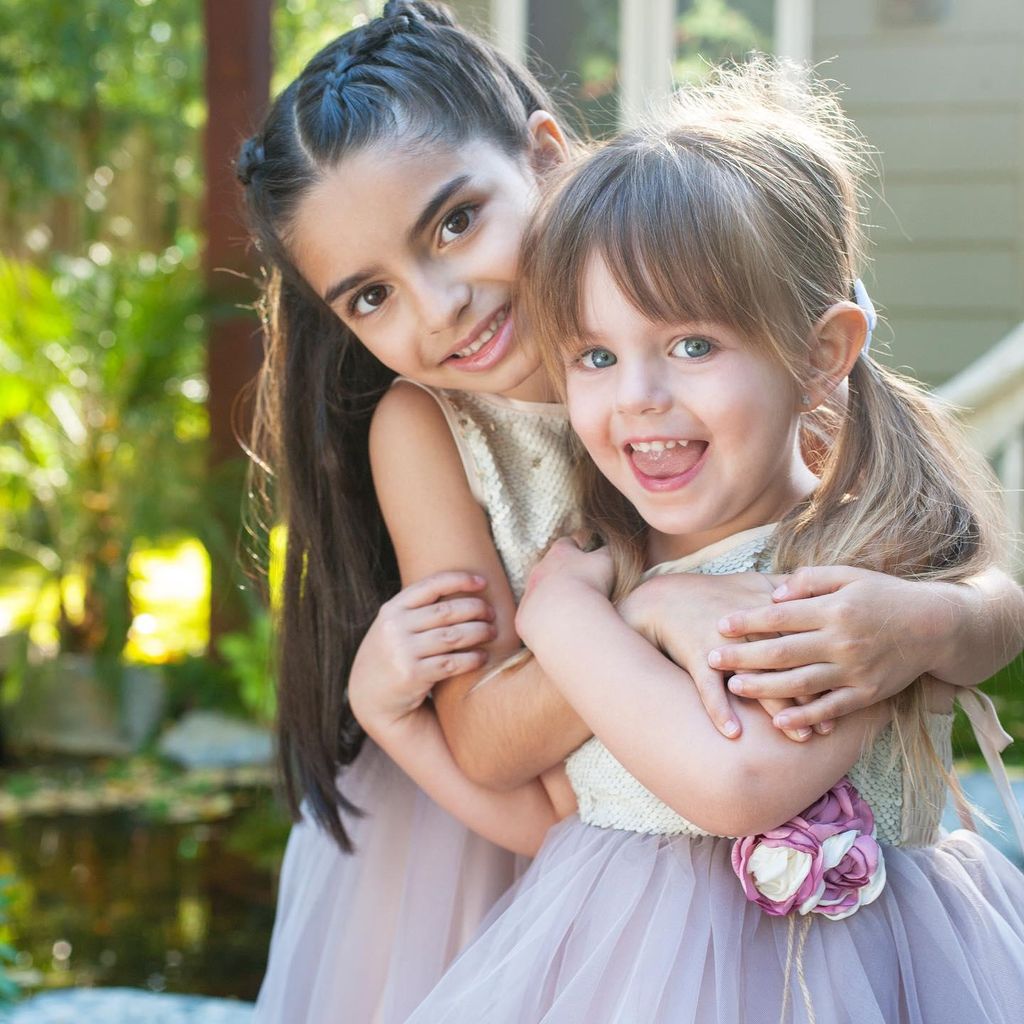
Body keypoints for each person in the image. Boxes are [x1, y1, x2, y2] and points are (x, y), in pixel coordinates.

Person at [236, 4, 1024, 1019]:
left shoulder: (703, 277)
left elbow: (965, 565)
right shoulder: (424, 426)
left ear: (546, 154)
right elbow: (480, 727)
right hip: (523, 839)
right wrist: (648, 607)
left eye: (455, 221)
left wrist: (919, 624)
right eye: (370, 296)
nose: (439, 306)